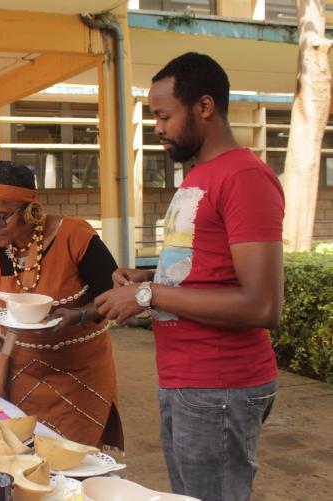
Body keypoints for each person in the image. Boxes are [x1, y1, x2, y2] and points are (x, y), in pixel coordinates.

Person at [95, 53, 284, 501]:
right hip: (187, 380)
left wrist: (147, 293)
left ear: (204, 106)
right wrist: (147, 275)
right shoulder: (200, 174)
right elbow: (208, 271)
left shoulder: (244, 177)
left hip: (221, 385)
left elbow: (262, 304)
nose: (157, 127)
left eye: (164, 115)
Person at [0, 161, 124, 449]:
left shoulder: (75, 237)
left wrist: (77, 315)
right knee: (19, 454)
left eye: (1, 217)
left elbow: (115, 296)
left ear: (30, 210)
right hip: (18, 373)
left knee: (70, 463)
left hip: (78, 374)